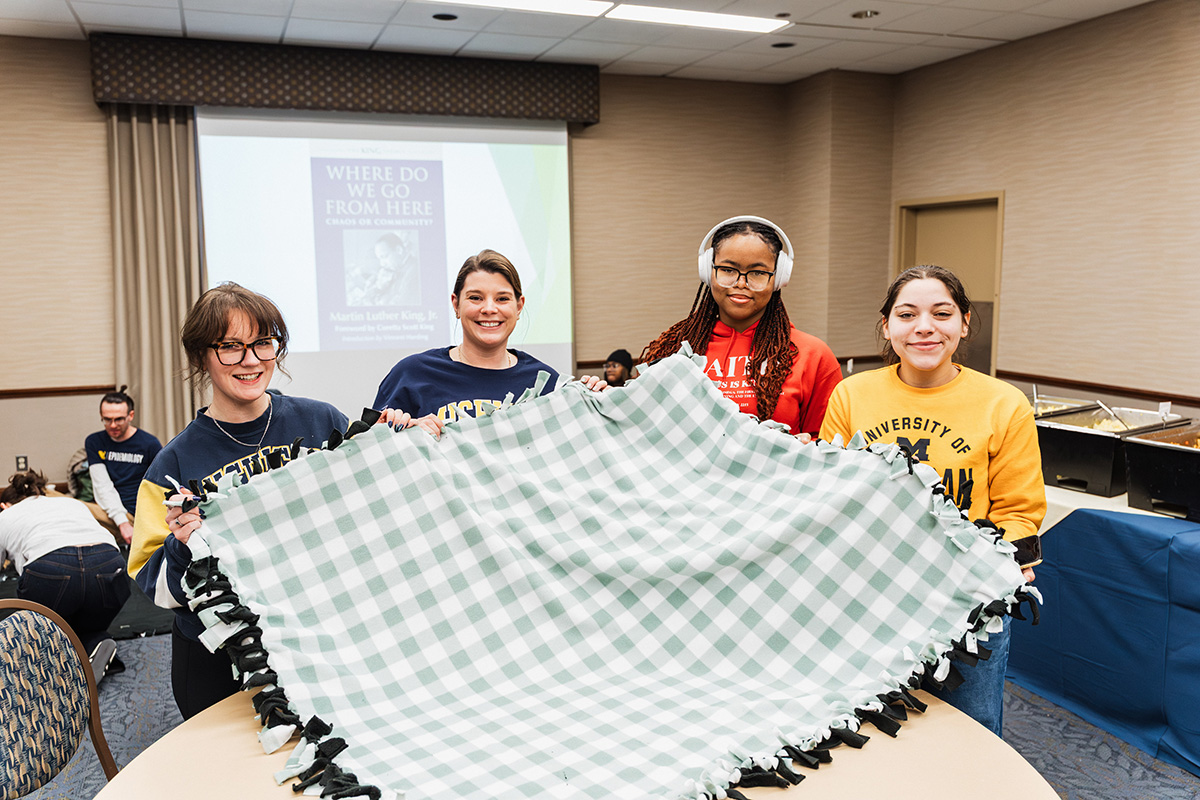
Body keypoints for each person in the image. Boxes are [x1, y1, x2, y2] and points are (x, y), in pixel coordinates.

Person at [819, 264, 1046, 737]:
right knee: (867, 730)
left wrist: (1005, 565)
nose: (924, 327)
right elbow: (829, 495)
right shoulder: (851, 394)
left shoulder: (1004, 403)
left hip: (967, 600)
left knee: (970, 729)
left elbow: (1019, 509)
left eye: (941, 314)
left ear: (964, 324)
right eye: (907, 315)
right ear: (887, 326)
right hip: (868, 595)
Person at [128, 282, 348, 719]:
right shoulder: (171, 465)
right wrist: (181, 545)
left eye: (263, 343)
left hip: (318, 637)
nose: (250, 360)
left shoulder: (322, 422)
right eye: (230, 347)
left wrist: (399, 437)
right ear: (201, 357)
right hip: (218, 658)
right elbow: (154, 585)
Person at [641, 215, 842, 437]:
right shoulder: (674, 349)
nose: (741, 283)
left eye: (758, 273)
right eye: (728, 270)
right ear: (708, 271)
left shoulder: (813, 355)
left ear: (778, 278)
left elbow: (829, 444)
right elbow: (643, 430)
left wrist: (806, 445)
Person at [374, 249, 561, 436]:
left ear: (519, 307)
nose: (489, 308)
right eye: (475, 298)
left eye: (502, 299)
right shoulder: (411, 374)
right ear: (456, 304)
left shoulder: (546, 383)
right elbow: (369, 446)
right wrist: (407, 435)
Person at [0, 470, 131, 657]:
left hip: (51, 566)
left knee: (40, 633)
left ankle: (54, 654)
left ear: (4, 506)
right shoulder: (71, 503)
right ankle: (94, 642)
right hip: (110, 563)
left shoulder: (6, 515)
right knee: (88, 619)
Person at [84, 386, 162, 545]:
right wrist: (122, 522)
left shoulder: (149, 444)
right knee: (52, 498)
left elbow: (159, 486)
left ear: (130, 416)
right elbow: (102, 485)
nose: (113, 425)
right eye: (107, 419)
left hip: (137, 514)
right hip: (109, 512)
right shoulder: (94, 441)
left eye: (118, 419)